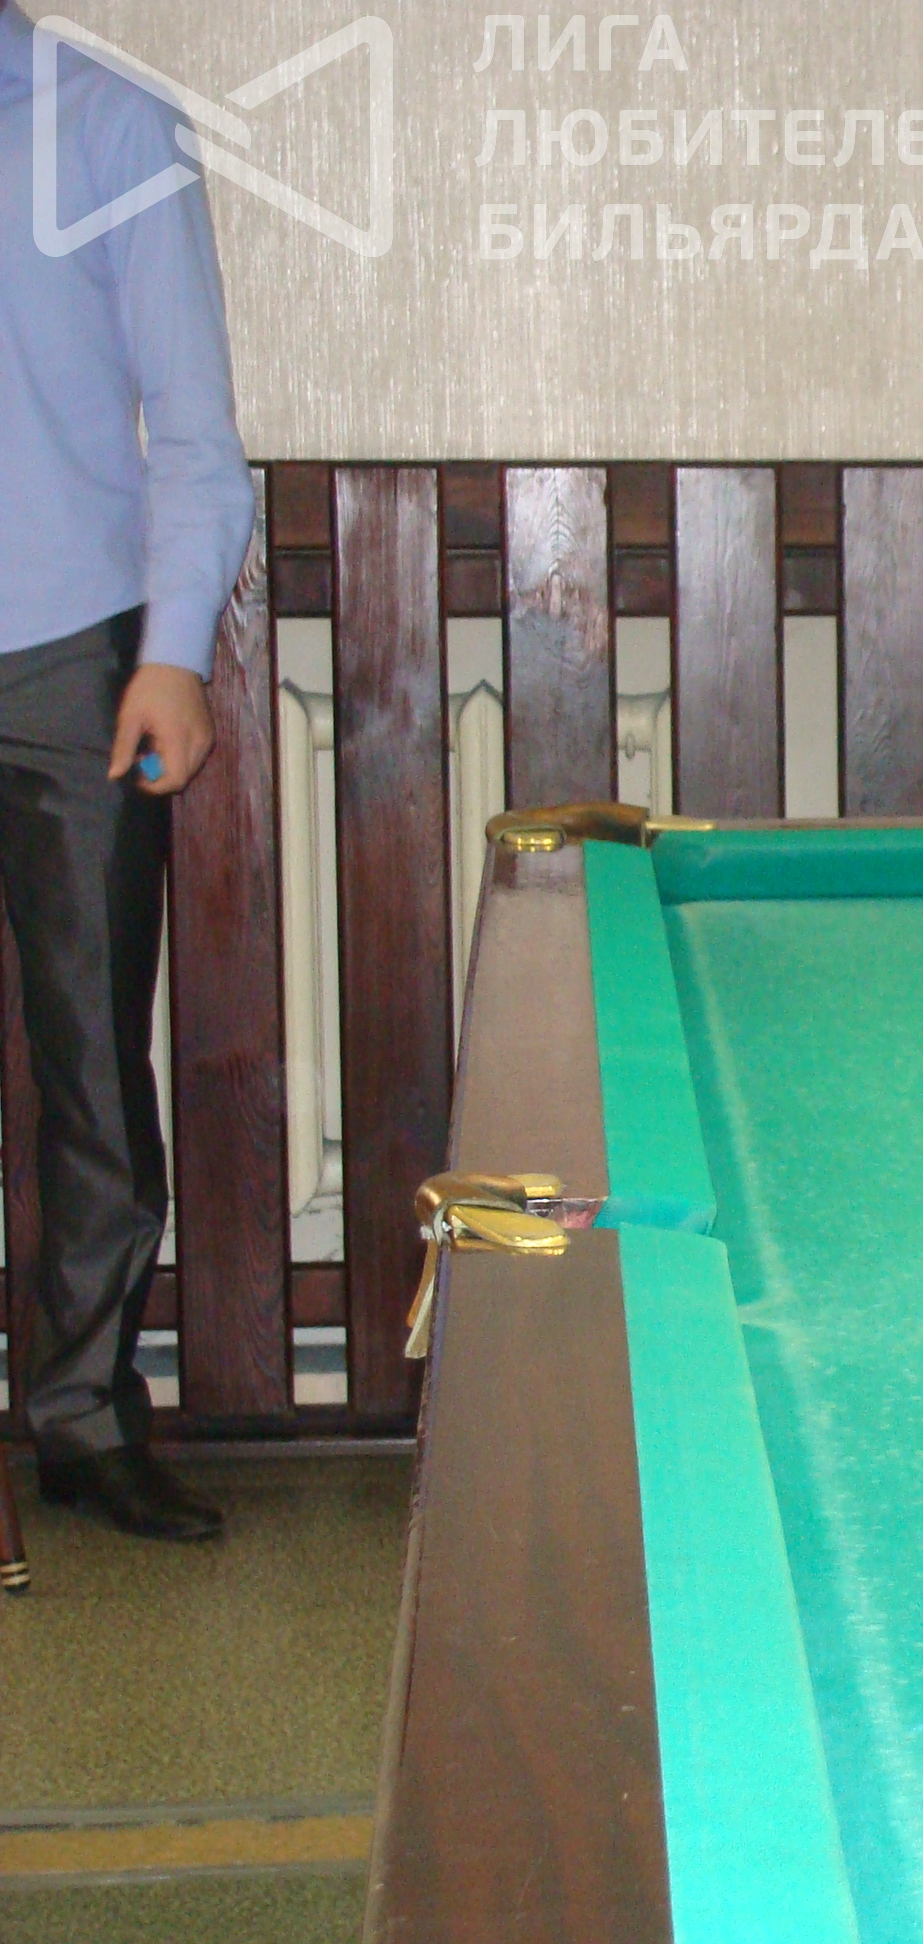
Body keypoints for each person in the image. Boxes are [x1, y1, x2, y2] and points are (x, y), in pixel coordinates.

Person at [1, 1, 253, 1540]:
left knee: (93, 1065)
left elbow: (195, 426)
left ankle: (84, 1421)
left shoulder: (105, 121)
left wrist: (171, 653)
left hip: (70, 662)